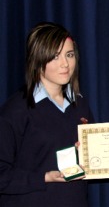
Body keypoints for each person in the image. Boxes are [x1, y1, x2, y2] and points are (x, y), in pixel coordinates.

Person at [0, 22, 94, 206]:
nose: (65, 64)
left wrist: (88, 153)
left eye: (69, 55)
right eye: (55, 57)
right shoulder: (16, 110)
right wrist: (44, 177)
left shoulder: (80, 105)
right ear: (37, 61)